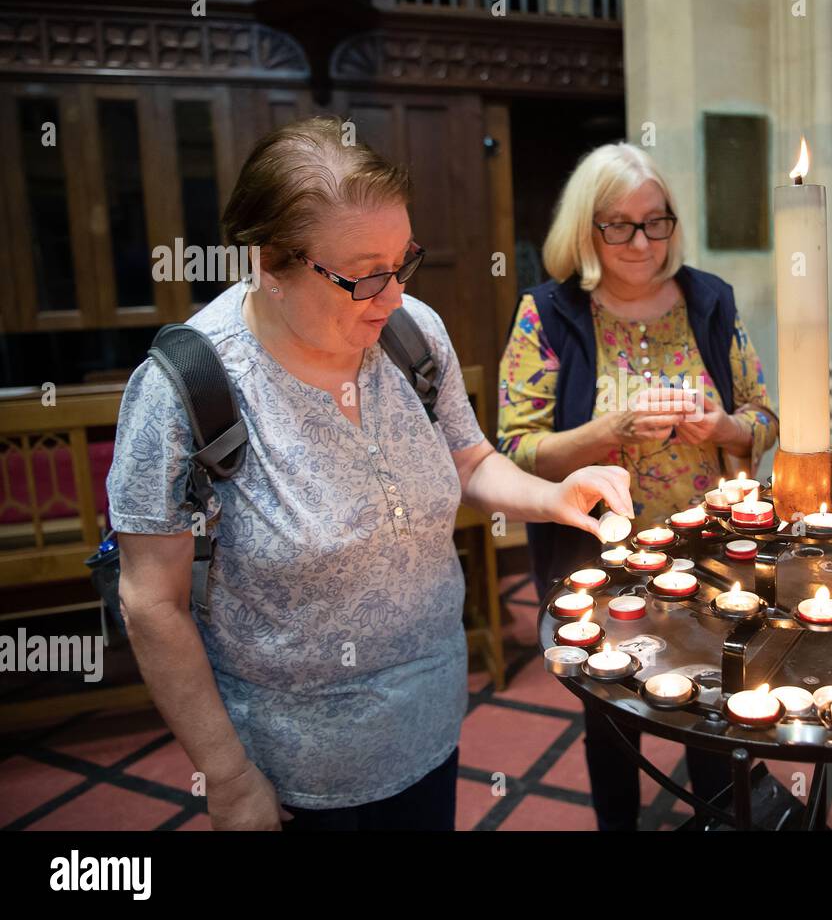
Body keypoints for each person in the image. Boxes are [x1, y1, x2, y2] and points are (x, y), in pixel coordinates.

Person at [107, 117, 633, 831]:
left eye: (403, 261)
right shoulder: (186, 388)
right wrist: (228, 777)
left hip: (429, 720)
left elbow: (469, 460)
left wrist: (550, 494)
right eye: (363, 275)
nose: (392, 297)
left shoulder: (413, 334)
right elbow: (151, 603)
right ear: (269, 264)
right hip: (290, 764)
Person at [497, 142, 778, 830]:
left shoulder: (709, 302)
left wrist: (725, 429)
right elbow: (516, 449)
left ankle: (719, 821)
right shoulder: (549, 313)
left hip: (711, 550)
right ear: (585, 229)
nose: (641, 240)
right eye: (618, 223)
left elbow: (765, 418)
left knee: (715, 704)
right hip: (600, 557)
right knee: (616, 715)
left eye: (656, 221)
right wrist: (610, 429)